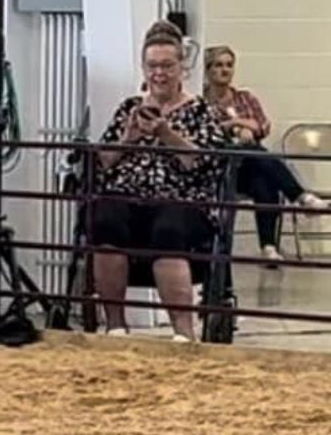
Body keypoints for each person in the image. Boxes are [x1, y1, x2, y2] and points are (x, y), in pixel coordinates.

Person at [89, 22, 228, 342]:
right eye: (152, 66)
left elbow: (205, 160)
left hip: (182, 198)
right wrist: (129, 137)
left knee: (169, 228)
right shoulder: (129, 108)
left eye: (167, 65)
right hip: (128, 195)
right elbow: (103, 161)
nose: (159, 73)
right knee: (106, 218)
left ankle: (182, 333)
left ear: (182, 68)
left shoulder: (201, 111)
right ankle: (115, 326)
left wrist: (167, 134)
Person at [200, 45, 325, 264]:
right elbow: (209, 132)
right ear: (208, 70)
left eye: (229, 65)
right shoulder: (201, 102)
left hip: (249, 166)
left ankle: (268, 247)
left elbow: (262, 126)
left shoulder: (245, 98)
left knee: (265, 182)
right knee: (255, 151)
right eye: (219, 65)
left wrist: (242, 125)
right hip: (220, 166)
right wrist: (237, 124)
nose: (225, 70)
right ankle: (300, 196)